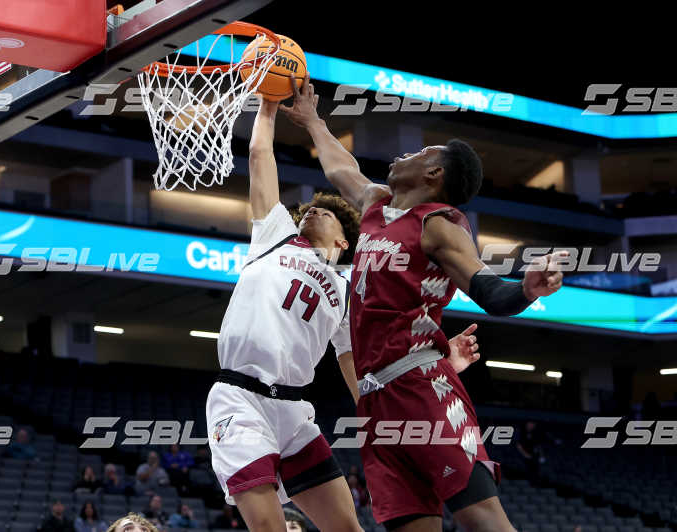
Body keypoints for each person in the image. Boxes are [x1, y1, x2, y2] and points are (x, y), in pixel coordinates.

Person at [282, 74, 565, 532]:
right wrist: (313, 122)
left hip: (420, 385)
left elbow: (487, 288)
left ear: (434, 174)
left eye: (418, 153)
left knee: (483, 520)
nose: (402, 154)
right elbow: (341, 170)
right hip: (375, 402)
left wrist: (527, 288)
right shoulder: (377, 206)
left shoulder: (440, 223)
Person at [206, 97, 482, 532]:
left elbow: (360, 363)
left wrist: (443, 363)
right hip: (241, 398)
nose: (314, 210)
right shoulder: (274, 238)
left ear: (343, 243)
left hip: (295, 411)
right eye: (310, 210)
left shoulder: (349, 288)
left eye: (329, 213)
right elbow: (260, 158)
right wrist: (267, 109)